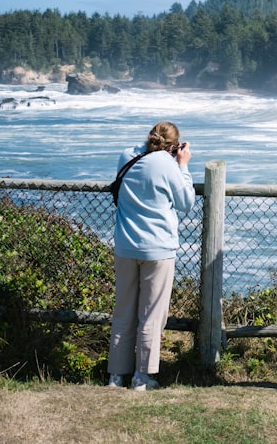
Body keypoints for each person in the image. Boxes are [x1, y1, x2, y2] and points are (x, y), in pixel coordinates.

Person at [107, 121, 195, 391]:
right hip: (157, 248)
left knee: (123, 311)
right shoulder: (167, 163)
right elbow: (186, 202)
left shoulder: (126, 155)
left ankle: (115, 375)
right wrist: (183, 165)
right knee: (152, 314)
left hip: (125, 245)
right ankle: (142, 377)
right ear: (174, 145)